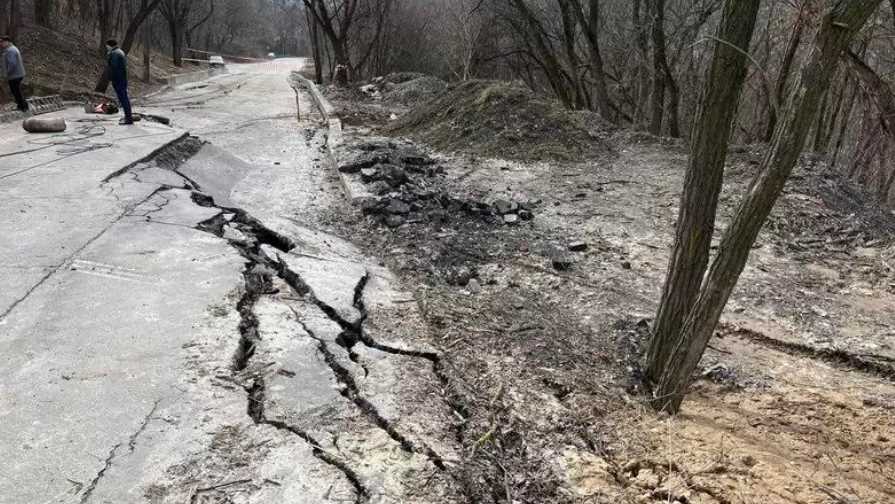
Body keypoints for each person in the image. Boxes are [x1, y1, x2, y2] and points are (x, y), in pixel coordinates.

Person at [105, 39, 133, 125]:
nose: (106, 48)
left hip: (118, 79)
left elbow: (114, 67)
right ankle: (128, 117)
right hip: (121, 78)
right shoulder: (119, 51)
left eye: (107, 46)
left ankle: (128, 119)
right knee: (123, 98)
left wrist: (111, 78)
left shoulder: (115, 53)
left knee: (124, 98)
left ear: (110, 45)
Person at [1, 36, 29, 113]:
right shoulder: (12, 48)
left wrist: (7, 73)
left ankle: (23, 107)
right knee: (17, 91)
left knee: (16, 91)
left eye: (2, 42)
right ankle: (23, 105)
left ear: (7, 42)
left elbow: (12, 64)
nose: (1, 44)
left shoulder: (10, 50)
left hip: (14, 75)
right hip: (18, 74)